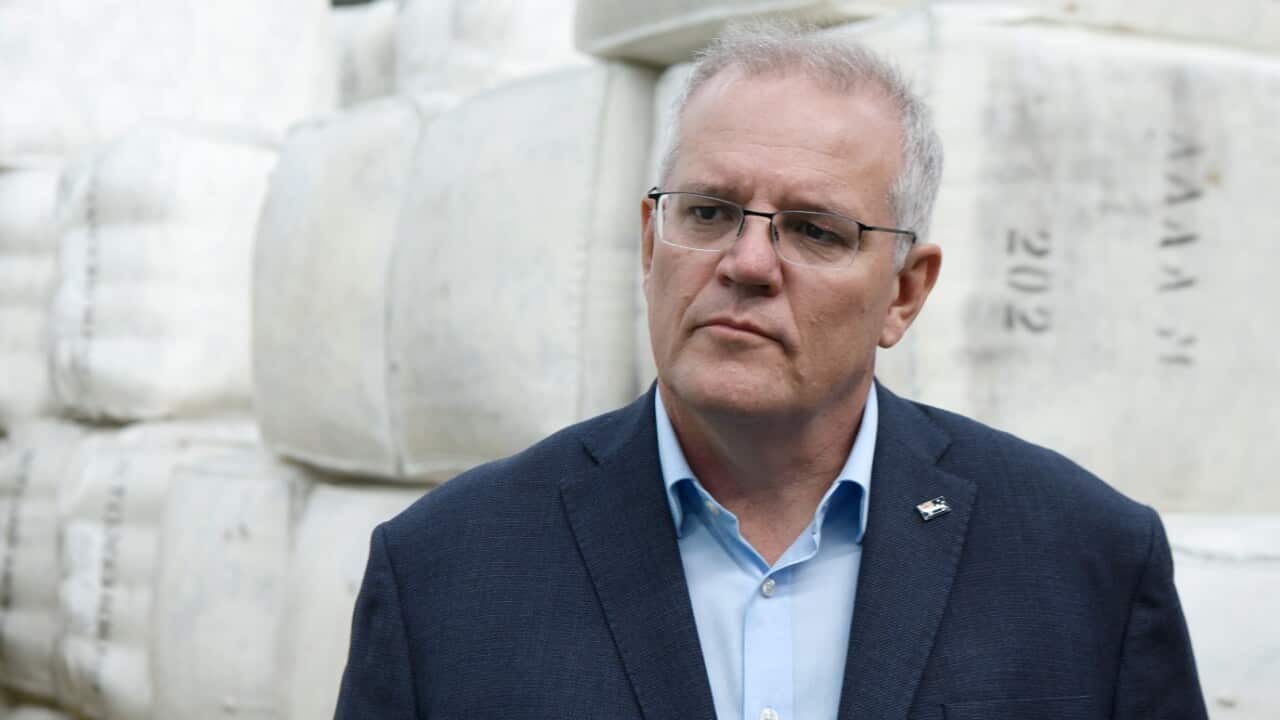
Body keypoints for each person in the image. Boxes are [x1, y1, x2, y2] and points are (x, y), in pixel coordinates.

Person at [335, 21, 1207, 720]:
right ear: (651, 245)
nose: (748, 263)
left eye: (816, 230)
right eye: (709, 212)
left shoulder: (1084, 561)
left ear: (904, 294)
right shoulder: (445, 574)